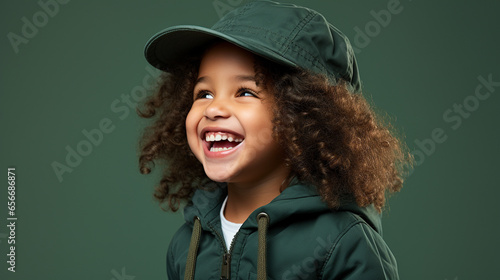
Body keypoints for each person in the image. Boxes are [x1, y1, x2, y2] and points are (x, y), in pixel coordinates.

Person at [138, 1, 412, 279]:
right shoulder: (187, 245)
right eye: (204, 93)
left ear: (303, 114)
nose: (213, 108)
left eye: (245, 92)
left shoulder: (343, 243)